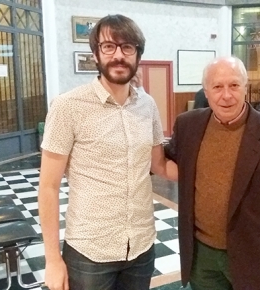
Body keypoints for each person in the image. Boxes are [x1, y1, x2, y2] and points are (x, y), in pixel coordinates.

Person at [38, 14, 177, 290]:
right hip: (90, 252)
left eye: (127, 47)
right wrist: (52, 259)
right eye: (109, 47)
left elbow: (159, 166)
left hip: (140, 246)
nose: (118, 55)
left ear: (138, 55)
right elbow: (48, 187)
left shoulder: (147, 106)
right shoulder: (68, 106)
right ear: (96, 54)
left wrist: (209, 173)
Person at [164, 56, 260, 290]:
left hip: (254, 258)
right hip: (202, 257)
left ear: (245, 88)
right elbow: (165, 160)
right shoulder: (188, 126)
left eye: (234, 85)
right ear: (206, 92)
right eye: (217, 87)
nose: (226, 95)